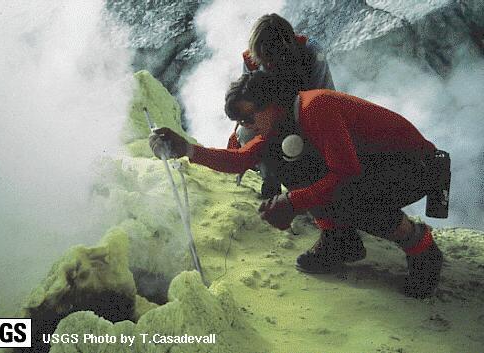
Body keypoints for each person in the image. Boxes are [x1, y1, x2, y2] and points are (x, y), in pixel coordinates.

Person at [149, 71, 445, 298]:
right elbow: (240, 159)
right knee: (287, 160)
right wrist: (186, 149)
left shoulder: (316, 108)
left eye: (249, 116)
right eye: (241, 120)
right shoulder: (285, 121)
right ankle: (340, 241)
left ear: (273, 104)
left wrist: (292, 202)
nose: (246, 126)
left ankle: (421, 247)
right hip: (383, 164)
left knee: (348, 192)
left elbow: (346, 173)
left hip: (417, 166)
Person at [228, 13, 335, 199]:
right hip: (271, 116)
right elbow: (248, 101)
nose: (269, 66)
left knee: (298, 147)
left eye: (274, 60)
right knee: (247, 133)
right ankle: (271, 180)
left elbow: (324, 98)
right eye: (264, 62)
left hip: (308, 112)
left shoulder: (311, 54)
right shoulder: (251, 61)